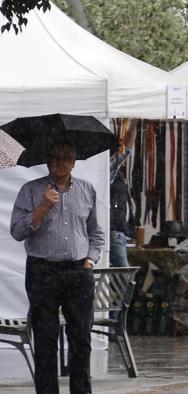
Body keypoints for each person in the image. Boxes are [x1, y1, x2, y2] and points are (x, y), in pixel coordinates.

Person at [10, 141, 106, 394]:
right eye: (52, 158)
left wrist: (90, 261)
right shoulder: (31, 190)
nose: (57, 164)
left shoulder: (86, 190)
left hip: (78, 272)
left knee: (81, 338)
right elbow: (17, 232)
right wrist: (42, 208)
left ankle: (81, 391)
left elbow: (96, 234)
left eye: (64, 158)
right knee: (45, 339)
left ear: (74, 161)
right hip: (43, 272)